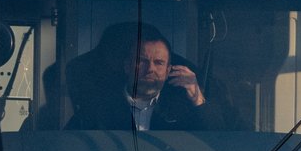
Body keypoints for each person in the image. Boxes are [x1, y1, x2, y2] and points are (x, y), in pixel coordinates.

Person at [67, 23, 222, 131]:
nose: (150, 69)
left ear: (169, 70)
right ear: (127, 66)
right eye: (142, 61)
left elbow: (219, 143)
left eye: (159, 63)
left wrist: (198, 99)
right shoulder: (98, 108)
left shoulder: (182, 109)